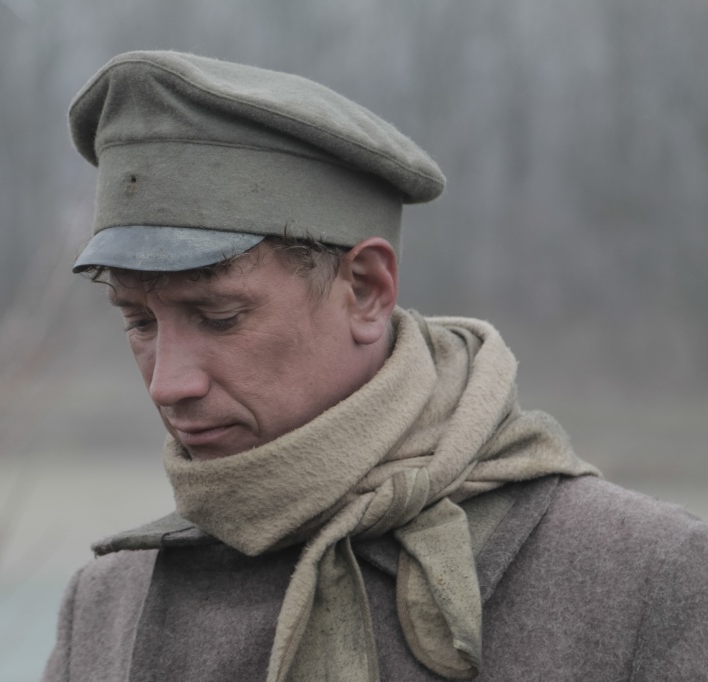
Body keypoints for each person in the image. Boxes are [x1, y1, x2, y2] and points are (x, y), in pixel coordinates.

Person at [42, 51, 708, 682]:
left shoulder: (647, 580)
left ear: (365, 289)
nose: (168, 384)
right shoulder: (105, 609)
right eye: (139, 321)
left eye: (219, 316)